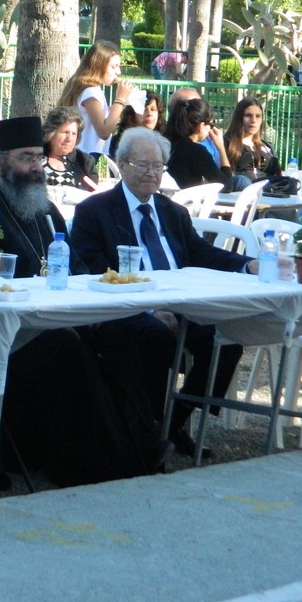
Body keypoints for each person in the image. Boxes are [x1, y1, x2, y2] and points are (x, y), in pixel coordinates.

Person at [0, 117, 166, 484]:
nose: (36, 167)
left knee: (118, 335)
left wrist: (88, 312)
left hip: (57, 319)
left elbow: (76, 266)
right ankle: (89, 466)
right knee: (69, 351)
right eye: (25, 158)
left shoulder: (44, 208)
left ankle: (142, 446)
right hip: (9, 331)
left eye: (38, 157)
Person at [71, 127, 257, 458]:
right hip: (128, 307)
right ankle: (148, 427)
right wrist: (148, 308)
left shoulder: (173, 212)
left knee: (227, 342)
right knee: (155, 336)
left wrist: (248, 265)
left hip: (181, 303)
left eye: (158, 166)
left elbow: (200, 252)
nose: (152, 173)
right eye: (143, 165)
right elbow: (92, 269)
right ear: (121, 164)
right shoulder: (96, 211)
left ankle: (172, 423)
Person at [57, 40, 137, 159]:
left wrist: (124, 101)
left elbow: (101, 115)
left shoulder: (89, 88)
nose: (118, 72)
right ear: (99, 65)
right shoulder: (91, 92)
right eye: (114, 67)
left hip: (82, 154)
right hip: (84, 155)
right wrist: (120, 99)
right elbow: (104, 132)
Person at [165, 96, 234, 191]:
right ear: (201, 126)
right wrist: (221, 148)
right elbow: (226, 187)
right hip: (186, 199)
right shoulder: (197, 152)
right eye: (211, 125)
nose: (211, 129)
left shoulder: (167, 142)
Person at [223, 98, 281, 186]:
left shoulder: (267, 146)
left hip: (268, 190)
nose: (253, 120)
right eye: (248, 115)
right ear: (239, 118)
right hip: (242, 190)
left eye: (258, 116)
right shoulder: (226, 143)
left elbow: (279, 174)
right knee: (243, 181)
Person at [42, 106, 99, 191]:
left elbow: (93, 193)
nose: (69, 139)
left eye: (74, 134)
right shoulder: (36, 157)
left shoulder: (85, 162)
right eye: (65, 132)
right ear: (51, 133)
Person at [168, 87, 221, 167]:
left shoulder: (210, 138)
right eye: (197, 105)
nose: (202, 109)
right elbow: (224, 175)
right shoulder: (195, 150)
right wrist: (221, 148)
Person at [109, 89, 165, 159]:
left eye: (153, 109)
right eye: (144, 110)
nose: (149, 114)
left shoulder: (165, 140)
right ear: (131, 115)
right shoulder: (116, 143)